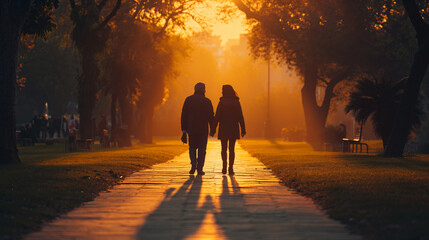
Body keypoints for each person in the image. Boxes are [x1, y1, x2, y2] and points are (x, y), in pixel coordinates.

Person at [210, 85, 246, 175]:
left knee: (223, 149)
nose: (221, 92)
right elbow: (240, 116)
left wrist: (213, 129)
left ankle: (224, 167)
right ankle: (231, 168)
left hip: (224, 128)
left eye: (222, 90)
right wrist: (243, 129)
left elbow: (217, 117)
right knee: (232, 149)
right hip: (234, 127)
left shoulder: (222, 102)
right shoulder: (236, 102)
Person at [181, 82, 214, 175]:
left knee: (192, 148)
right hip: (203, 129)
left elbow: (184, 115)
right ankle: (200, 168)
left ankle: (193, 165)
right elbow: (211, 116)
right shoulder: (207, 101)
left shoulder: (188, 100)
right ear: (204, 90)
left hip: (191, 128)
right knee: (202, 149)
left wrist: (184, 128)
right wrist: (212, 128)